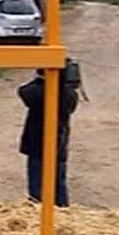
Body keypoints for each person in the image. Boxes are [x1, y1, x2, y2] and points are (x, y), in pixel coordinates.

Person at [17, 66, 80, 207]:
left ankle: (37, 208)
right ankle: (63, 209)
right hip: (59, 142)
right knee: (59, 183)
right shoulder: (69, 93)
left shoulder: (39, 90)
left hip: (37, 141)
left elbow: (23, 92)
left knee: (37, 184)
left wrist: (40, 79)